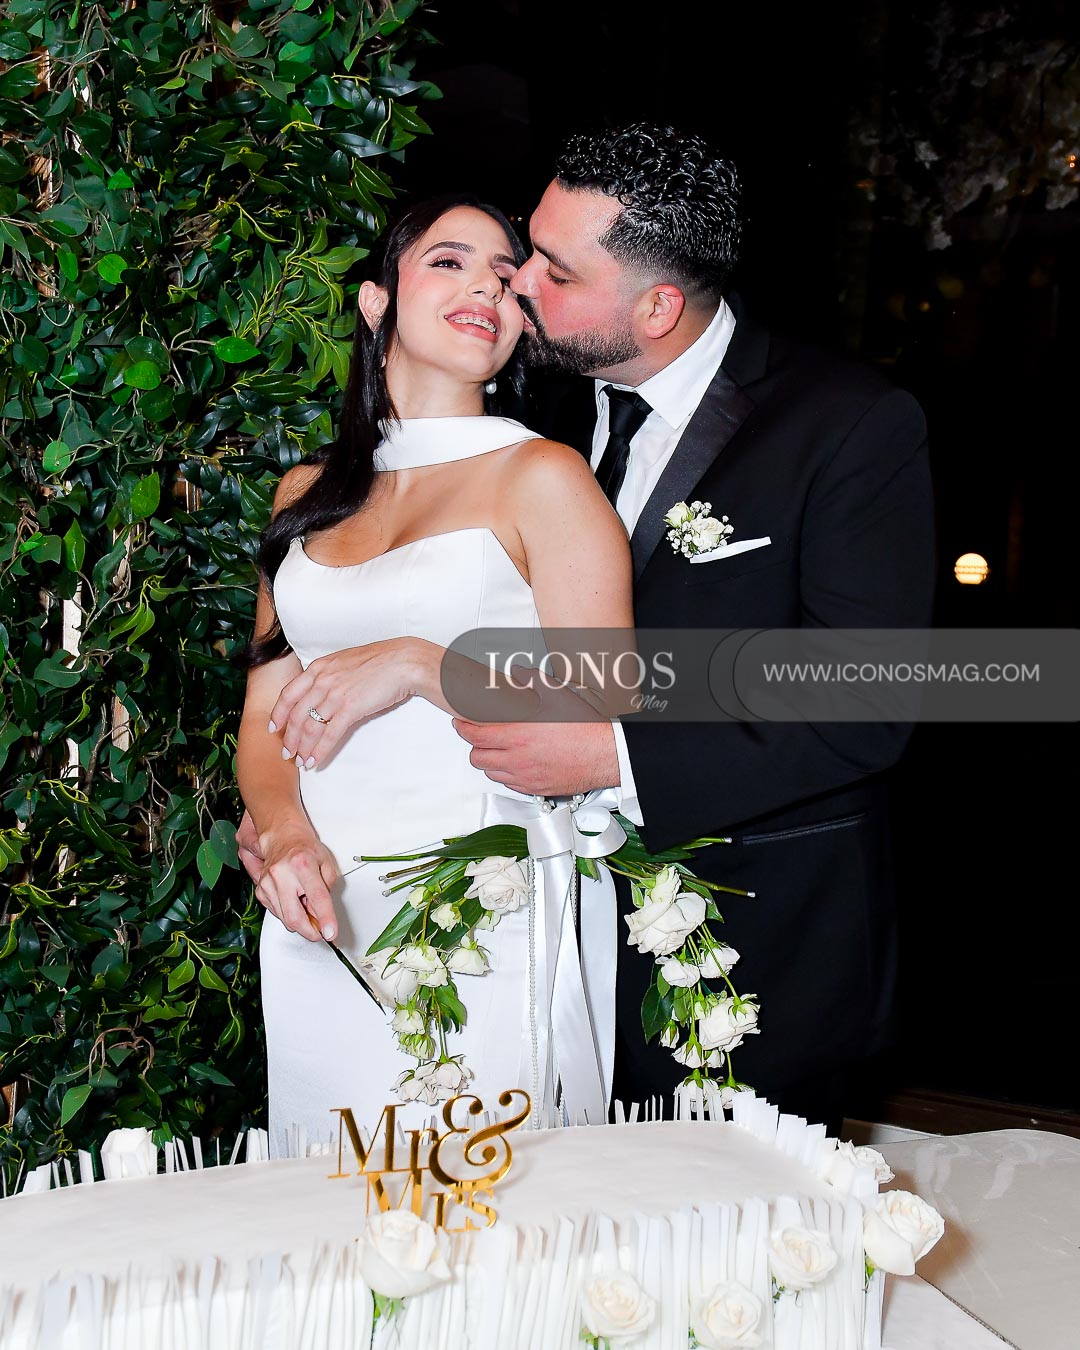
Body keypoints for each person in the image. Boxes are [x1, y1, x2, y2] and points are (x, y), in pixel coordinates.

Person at [446, 124, 936, 1134]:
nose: (517, 282)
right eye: (530, 248)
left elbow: (868, 701)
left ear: (658, 307)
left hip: (755, 950)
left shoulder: (847, 424)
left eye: (555, 271)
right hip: (543, 955)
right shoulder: (525, 406)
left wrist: (615, 756)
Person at [236, 192, 634, 1153]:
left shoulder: (543, 475)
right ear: (376, 302)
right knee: (333, 1185)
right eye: (449, 262)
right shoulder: (305, 492)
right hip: (325, 893)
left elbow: (610, 709)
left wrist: (425, 667)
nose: (485, 290)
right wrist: (284, 832)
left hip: (485, 893)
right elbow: (262, 708)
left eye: (504, 276)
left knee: (483, 1187)